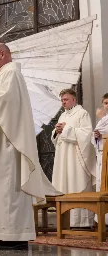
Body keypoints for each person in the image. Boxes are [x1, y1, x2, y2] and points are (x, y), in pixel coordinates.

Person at [0, 43, 61, 250]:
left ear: (3, 54)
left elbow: (5, 102)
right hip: (1, 145)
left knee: (9, 190)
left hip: (9, 146)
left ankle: (15, 237)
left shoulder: (11, 74)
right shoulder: (5, 76)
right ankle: (2, 234)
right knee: (1, 191)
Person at [52, 89, 96, 228]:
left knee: (77, 184)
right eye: (62, 100)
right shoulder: (62, 116)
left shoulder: (82, 113)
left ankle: (82, 222)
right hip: (63, 156)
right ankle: (67, 222)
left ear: (74, 100)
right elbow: (57, 137)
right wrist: (57, 131)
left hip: (76, 158)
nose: (63, 102)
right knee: (65, 185)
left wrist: (66, 129)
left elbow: (87, 134)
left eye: (66, 99)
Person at [92, 93, 108, 223]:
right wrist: (96, 136)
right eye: (106, 103)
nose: (107, 106)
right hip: (102, 155)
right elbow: (96, 138)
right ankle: (104, 221)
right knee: (102, 186)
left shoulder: (103, 118)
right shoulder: (102, 119)